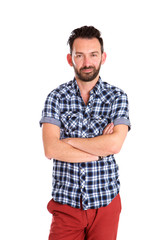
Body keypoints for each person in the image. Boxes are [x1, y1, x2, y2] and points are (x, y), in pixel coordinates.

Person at [40, 26, 131, 240]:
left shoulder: (117, 97)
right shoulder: (56, 97)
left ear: (103, 57)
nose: (87, 62)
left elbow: (115, 145)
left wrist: (68, 141)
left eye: (93, 55)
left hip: (106, 204)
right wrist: (100, 150)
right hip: (66, 205)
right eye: (79, 55)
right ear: (70, 59)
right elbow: (51, 148)